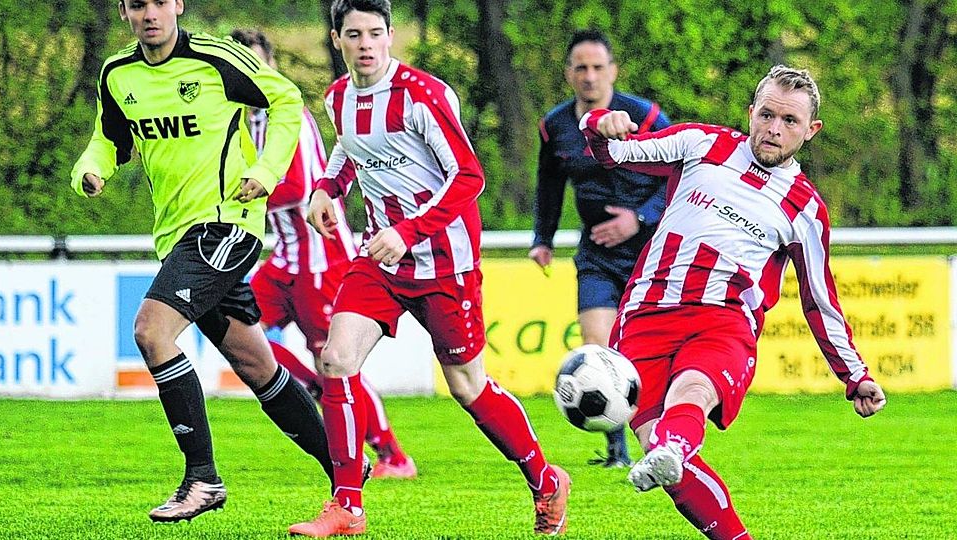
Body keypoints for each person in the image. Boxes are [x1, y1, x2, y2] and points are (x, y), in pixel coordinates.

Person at [288, 0, 571, 536]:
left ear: (391, 35)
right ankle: (347, 504)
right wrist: (327, 189)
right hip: (380, 260)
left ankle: (544, 480)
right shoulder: (338, 99)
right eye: (354, 34)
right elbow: (350, 152)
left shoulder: (423, 95)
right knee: (336, 358)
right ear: (336, 39)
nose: (366, 44)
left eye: (375, 32)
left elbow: (468, 176)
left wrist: (409, 231)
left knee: (468, 386)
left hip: (445, 264)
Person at [580, 65, 887, 539]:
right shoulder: (701, 144)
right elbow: (616, 153)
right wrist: (600, 122)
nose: (774, 129)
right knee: (662, 454)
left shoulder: (805, 209)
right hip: (646, 315)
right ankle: (688, 469)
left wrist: (855, 375)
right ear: (751, 112)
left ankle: (673, 442)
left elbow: (819, 301)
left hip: (722, 322)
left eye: (789, 121)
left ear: (811, 130)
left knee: (693, 394)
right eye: (766, 115)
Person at [71, 0, 338, 524]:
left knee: (151, 330)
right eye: (137, 4)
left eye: (158, 2)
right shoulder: (118, 74)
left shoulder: (218, 60)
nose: (149, 13)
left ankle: (203, 479)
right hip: (175, 236)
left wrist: (266, 168)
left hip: (226, 224)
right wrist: (90, 167)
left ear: (177, 6)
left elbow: (286, 100)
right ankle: (344, 467)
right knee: (256, 364)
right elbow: (109, 139)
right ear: (125, 12)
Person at [231, 28, 417, 480]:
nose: (250, 78)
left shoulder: (286, 115)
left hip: (321, 261)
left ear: (271, 66)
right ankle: (315, 384)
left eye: (256, 66)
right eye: (240, 68)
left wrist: (238, 194)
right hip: (283, 263)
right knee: (237, 329)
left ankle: (393, 455)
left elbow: (296, 187)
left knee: (338, 359)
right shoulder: (237, 122)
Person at [530, 29, 671, 468]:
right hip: (596, 253)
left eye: (597, 67)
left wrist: (639, 218)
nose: (589, 76)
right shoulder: (555, 125)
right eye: (580, 68)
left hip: (652, 250)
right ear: (569, 74)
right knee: (597, 345)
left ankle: (667, 438)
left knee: (651, 350)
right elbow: (548, 184)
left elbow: (683, 173)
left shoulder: (644, 117)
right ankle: (616, 452)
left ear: (613, 70)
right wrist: (543, 238)